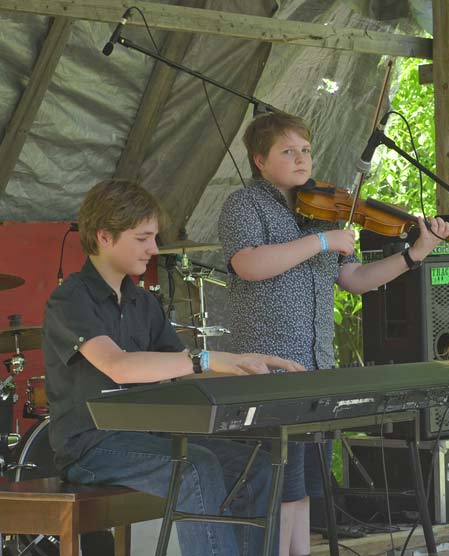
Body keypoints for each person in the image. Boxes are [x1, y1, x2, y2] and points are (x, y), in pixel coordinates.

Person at [218, 111, 449, 556]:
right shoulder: (244, 205)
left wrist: (414, 256)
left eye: (306, 150)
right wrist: (322, 243)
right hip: (267, 369)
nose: (301, 158)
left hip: (317, 368)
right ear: (260, 161)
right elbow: (248, 264)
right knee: (279, 486)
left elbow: (355, 279)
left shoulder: (323, 212)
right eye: (288, 151)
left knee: (308, 485)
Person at [43, 179, 305, 556]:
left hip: (146, 437)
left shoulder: (142, 302)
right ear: (104, 236)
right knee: (195, 467)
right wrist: (208, 359)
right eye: (143, 238)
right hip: (91, 447)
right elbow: (118, 365)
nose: (154, 248)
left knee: (257, 467)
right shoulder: (70, 299)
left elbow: (182, 367)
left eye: (154, 238)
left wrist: (244, 364)